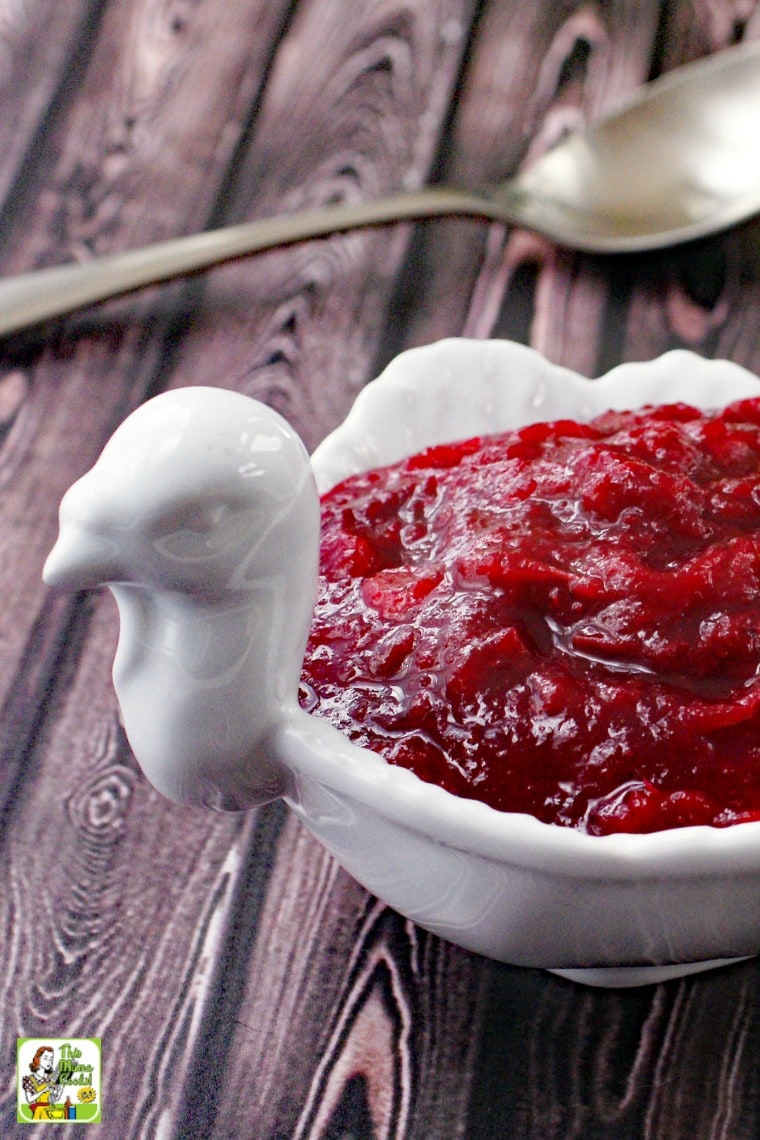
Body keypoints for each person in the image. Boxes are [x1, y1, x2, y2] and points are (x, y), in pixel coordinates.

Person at [22, 1046, 64, 1121]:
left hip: (50, 1112)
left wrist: (61, 1087)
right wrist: (43, 1091)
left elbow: (54, 1099)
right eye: (46, 1058)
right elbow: (30, 1099)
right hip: (39, 1113)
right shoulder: (29, 1080)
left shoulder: (51, 1078)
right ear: (38, 1059)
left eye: (51, 1059)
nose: (49, 1062)